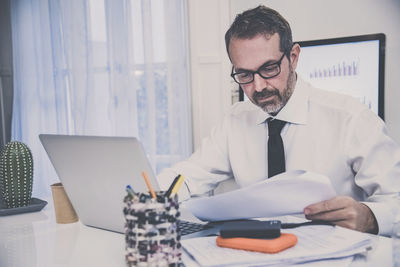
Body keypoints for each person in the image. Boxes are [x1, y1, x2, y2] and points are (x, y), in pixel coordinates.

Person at [157, 5, 400, 236]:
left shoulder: (352, 118)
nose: (258, 86)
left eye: (269, 68)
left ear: (293, 57)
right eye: (244, 74)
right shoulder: (234, 121)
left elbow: (396, 199)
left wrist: (369, 216)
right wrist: (148, 197)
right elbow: (187, 177)